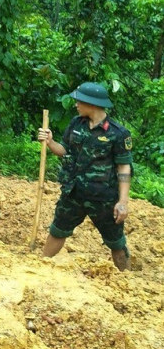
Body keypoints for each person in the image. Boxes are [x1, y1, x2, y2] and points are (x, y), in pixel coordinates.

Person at [37, 82, 133, 271]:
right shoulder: (75, 124)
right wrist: (50, 142)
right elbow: (64, 151)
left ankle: (127, 278)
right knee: (57, 231)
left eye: (79, 101)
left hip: (103, 198)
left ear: (92, 104)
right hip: (74, 192)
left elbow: (124, 167)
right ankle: (40, 267)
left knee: (116, 242)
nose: (76, 105)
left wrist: (123, 201)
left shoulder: (118, 133)